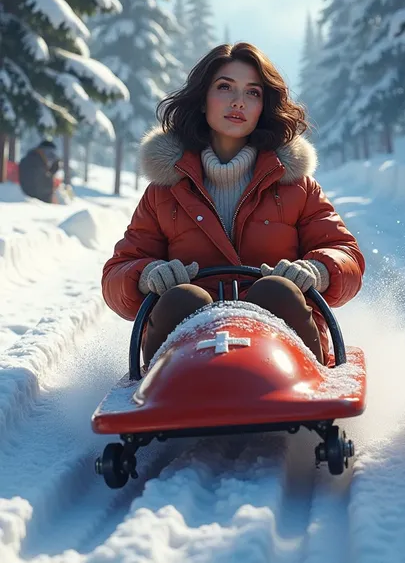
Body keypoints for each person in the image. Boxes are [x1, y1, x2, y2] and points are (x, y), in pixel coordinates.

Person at [102, 43, 365, 368]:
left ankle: (301, 406)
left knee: (277, 292)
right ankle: (171, 405)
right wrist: (147, 274)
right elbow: (118, 272)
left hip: (285, 357)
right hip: (188, 359)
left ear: (263, 106)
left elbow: (345, 254)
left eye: (252, 92)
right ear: (202, 99)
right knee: (182, 299)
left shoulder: (297, 185)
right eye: (225, 87)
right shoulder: (164, 192)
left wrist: (319, 270)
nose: (238, 101)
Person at [18, 139, 61, 204]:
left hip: (34, 200)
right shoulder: (34, 161)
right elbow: (43, 184)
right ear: (42, 150)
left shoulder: (33, 158)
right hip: (34, 201)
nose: (51, 156)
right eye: (49, 152)